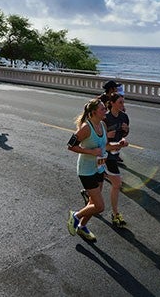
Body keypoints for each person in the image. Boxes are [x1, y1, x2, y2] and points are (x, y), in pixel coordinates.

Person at [66, 98, 129, 242]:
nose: (105, 111)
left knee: (92, 202)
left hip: (99, 168)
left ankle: (82, 227)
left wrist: (119, 144)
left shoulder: (102, 125)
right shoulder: (86, 128)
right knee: (99, 206)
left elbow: (104, 146)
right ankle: (75, 216)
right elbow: (70, 145)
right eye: (102, 109)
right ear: (94, 112)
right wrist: (90, 152)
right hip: (86, 171)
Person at [81, 93, 130, 227]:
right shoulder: (104, 119)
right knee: (117, 183)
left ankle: (89, 200)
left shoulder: (124, 116)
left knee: (99, 188)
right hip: (106, 155)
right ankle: (114, 214)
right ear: (112, 103)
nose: (122, 105)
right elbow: (100, 140)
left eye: (123, 102)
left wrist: (125, 135)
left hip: (113, 153)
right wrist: (106, 136)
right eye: (120, 102)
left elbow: (123, 134)